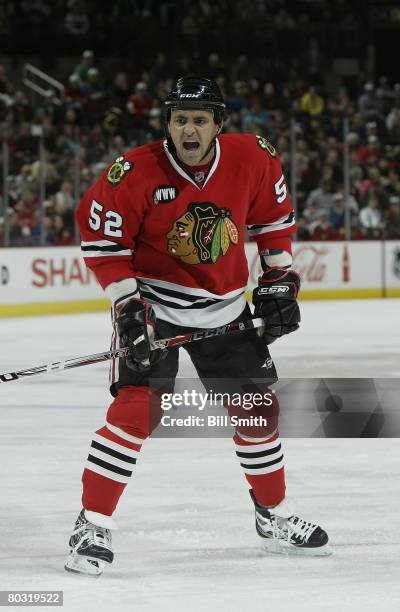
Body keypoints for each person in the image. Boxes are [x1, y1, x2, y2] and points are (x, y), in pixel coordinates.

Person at [66, 76, 330, 576]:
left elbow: (273, 220)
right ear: (168, 122)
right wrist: (127, 308)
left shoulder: (254, 156)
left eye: (200, 120)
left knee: (258, 412)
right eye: (181, 119)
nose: (189, 130)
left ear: (217, 125)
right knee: (135, 411)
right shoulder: (133, 173)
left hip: (226, 307)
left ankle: (271, 516)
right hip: (155, 306)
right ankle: (91, 523)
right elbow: (105, 246)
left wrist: (277, 278)